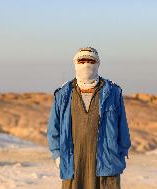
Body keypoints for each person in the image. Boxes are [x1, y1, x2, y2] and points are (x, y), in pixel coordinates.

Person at [47, 47, 131, 189]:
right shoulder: (63, 94)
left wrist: (119, 156)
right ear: (75, 64)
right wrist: (58, 156)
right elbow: (53, 130)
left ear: (97, 64)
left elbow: (123, 128)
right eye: (82, 61)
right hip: (73, 164)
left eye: (91, 61)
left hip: (107, 164)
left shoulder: (113, 92)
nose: (86, 65)